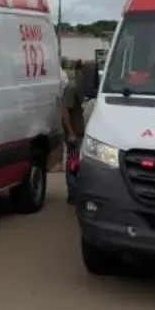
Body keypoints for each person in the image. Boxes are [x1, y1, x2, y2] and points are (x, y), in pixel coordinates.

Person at [62, 63, 86, 206]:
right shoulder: (72, 87)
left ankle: (76, 191)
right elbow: (64, 112)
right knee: (73, 164)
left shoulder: (79, 86)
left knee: (77, 163)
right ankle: (72, 194)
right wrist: (71, 133)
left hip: (79, 132)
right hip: (74, 133)